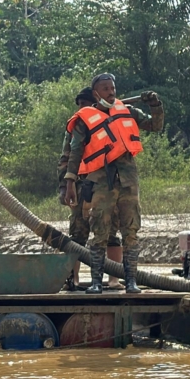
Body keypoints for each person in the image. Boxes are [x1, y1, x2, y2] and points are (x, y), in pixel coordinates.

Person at [63, 73, 164, 294]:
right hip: (100, 181)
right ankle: (96, 282)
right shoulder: (84, 119)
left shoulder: (128, 111)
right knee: (100, 231)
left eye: (113, 88)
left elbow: (155, 126)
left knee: (131, 230)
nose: (111, 92)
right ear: (96, 93)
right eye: (106, 88)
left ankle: (130, 281)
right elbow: (74, 152)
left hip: (128, 181)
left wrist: (155, 105)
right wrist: (69, 182)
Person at [57, 88, 124, 290]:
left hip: (106, 185)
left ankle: (113, 279)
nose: (81, 108)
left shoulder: (109, 123)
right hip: (79, 186)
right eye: (79, 105)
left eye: (85, 104)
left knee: (111, 231)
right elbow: (66, 158)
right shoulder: (76, 126)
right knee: (77, 233)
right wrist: (64, 186)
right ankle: (73, 279)